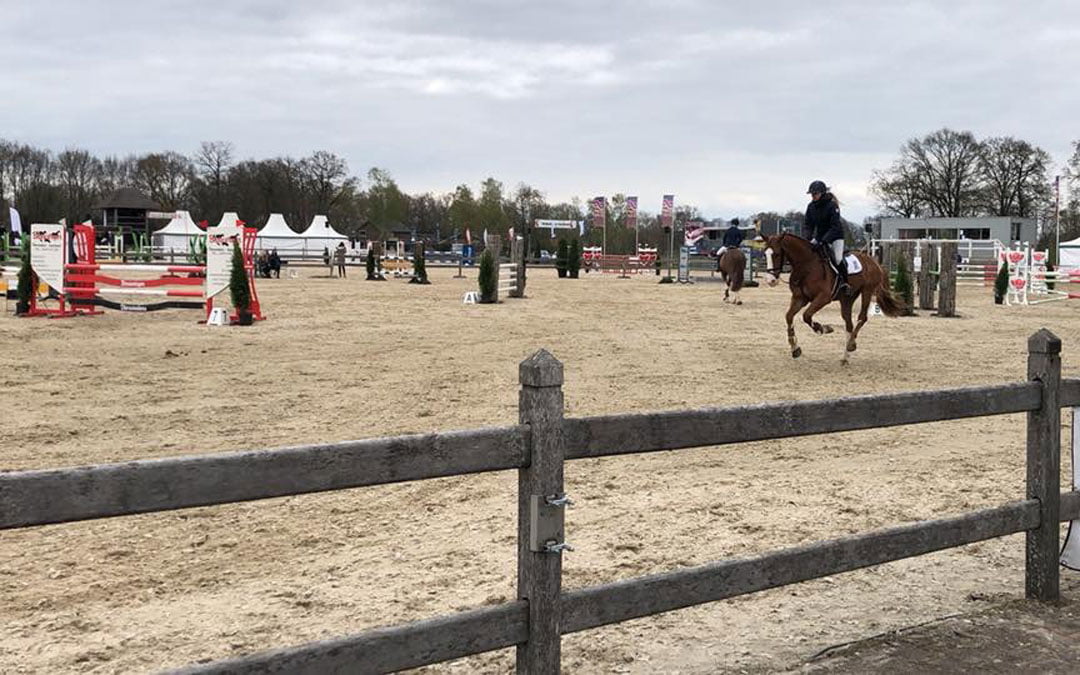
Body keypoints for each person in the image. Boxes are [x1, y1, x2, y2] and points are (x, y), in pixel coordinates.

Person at [803, 180, 849, 294]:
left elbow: (835, 226)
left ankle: (845, 283)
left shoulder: (832, 206)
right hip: (820, 237)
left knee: (837, 259)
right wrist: (808, 237)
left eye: (815, 194)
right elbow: (808, 224)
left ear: (822, 193)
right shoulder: (811, 207)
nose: (813, 196)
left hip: (835, 236)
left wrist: (824, 241)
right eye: (812, 194)